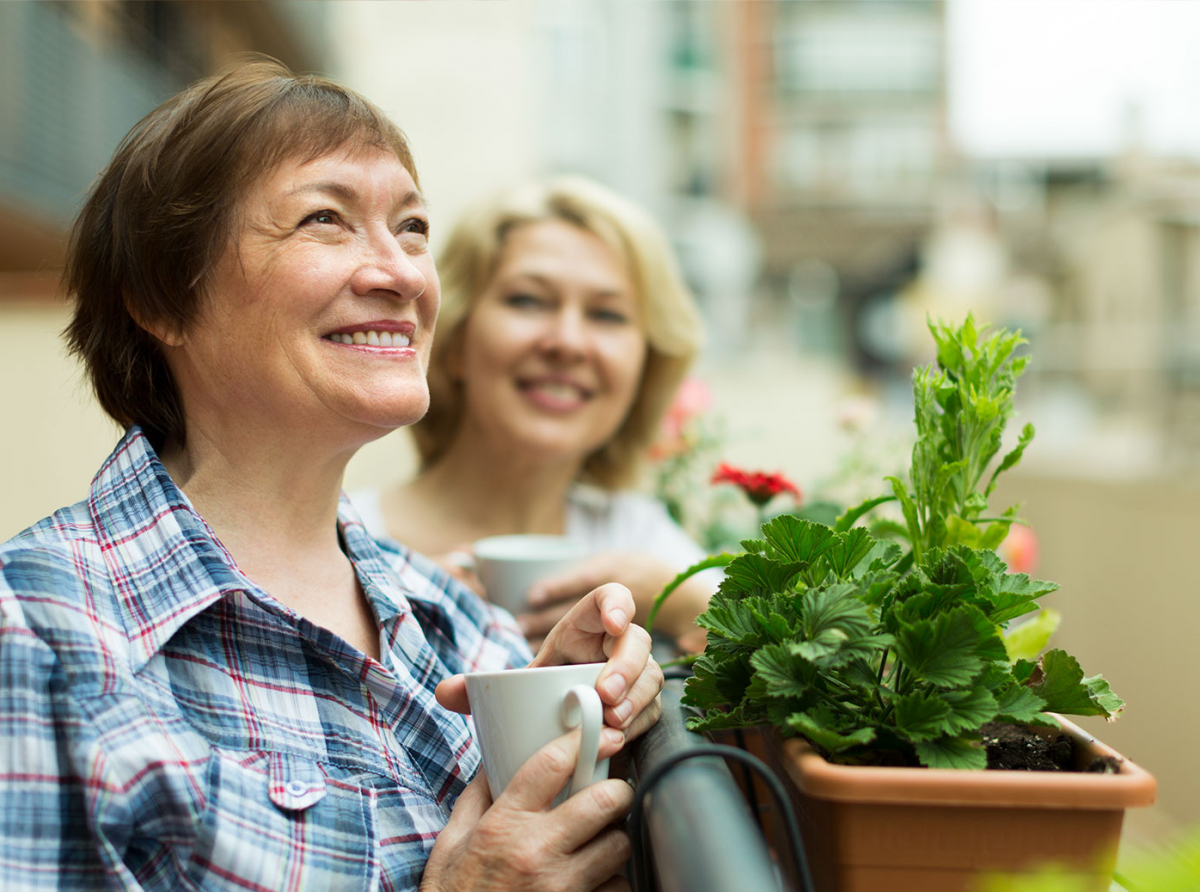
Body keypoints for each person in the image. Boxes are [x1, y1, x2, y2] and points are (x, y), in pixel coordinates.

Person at [0, 59, 661, 891]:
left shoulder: (463, 627)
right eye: (325, 219)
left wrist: (558, 725)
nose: (402, 275)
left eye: (413, 228)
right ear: (162, 297)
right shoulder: (36, 633)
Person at [350, 176, 717, 649]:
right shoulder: (349, 538)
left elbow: (815, 675)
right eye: (527, 300)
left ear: (644, 366)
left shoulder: (638, 539)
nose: (567, 342)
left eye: (607, 315)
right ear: (454, 337)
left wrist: (675, 599)